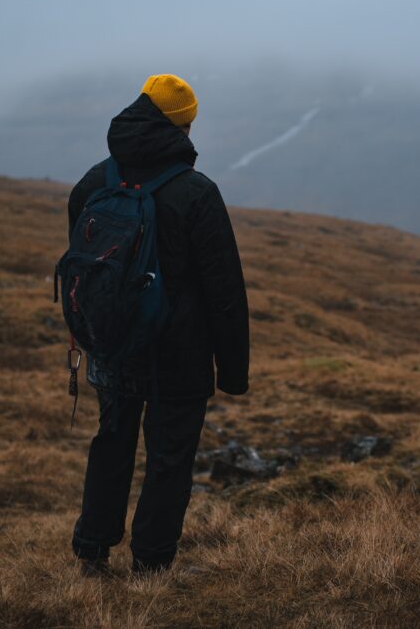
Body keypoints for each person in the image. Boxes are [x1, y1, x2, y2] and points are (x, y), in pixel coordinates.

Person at [68, 74, 249, 575]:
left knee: (112, 441)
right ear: (182, 127)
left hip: (114, 342)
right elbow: (224, 291)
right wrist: (231, 371)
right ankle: (150, 563)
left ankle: (91, 551)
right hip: (179, 350)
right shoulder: (196, 193)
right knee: (169, 457)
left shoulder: (93, 182)